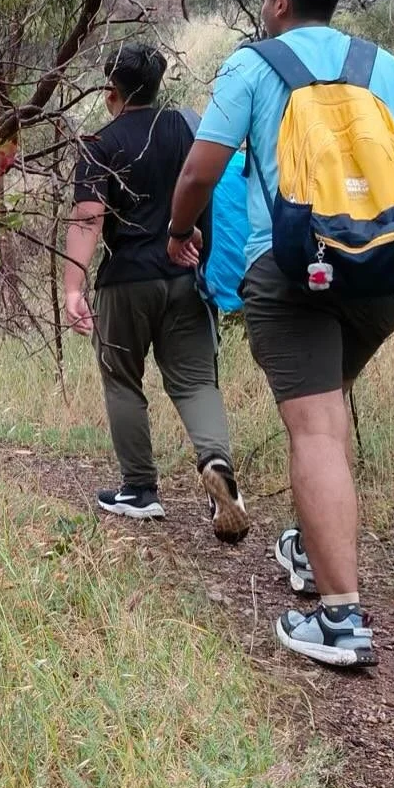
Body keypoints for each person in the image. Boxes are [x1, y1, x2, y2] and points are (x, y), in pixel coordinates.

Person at [167, 0, 394, 669]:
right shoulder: (382, 66)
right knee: (323, 416)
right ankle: (307, 545)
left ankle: (340, 618)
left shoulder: (254, 65)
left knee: (317, 430)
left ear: (276, 2)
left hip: (295, 270)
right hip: (386, 271)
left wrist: (178, 233)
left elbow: (202, 167)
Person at [63, 42, 250, 542]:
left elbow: (88, 216)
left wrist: (73, 286)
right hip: (185, 273)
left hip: (125, 280)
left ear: (111, 93)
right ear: (158, 85)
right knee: (194, 382)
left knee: (123, 380)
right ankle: (216, 462)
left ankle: (140, 490)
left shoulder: (98, 143)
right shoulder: (186, 129)